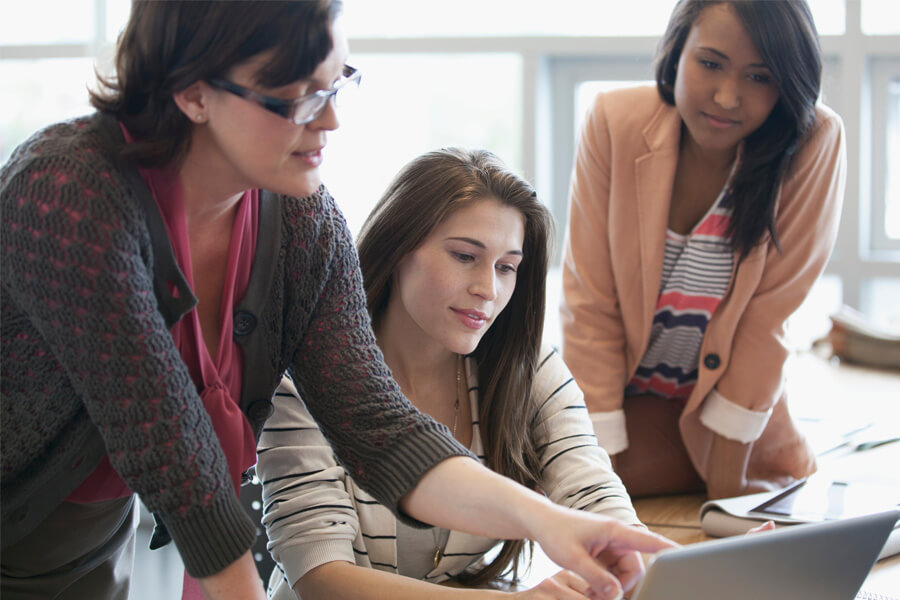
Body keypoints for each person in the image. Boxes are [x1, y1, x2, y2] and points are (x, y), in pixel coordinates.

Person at [0, 2, 673, 600]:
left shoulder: (303, 221)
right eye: (293, 97)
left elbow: (381, 427)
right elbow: (169, 447)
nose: (329, 120)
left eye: (335, 84)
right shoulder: (69, 192)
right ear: (192, 91)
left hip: (79, 533)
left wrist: (552, 523)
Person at [257, 148, 644, 600]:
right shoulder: (305, 376)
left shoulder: (528, 368)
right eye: (464, 256)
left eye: (506, 267)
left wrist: (642, 557)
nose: (488, 289)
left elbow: (591, 490)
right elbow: (320, 579)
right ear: (399, 247)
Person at [561, 0, 846, 501]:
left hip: (724, 410)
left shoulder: (812, 142)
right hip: (620, 399)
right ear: (677, 50)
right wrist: (594, 483)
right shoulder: (613, 120)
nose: (728, 96)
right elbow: (591, 307)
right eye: (710, 63)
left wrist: (727, 499)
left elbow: (765, 324)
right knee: (530, 475)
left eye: (760, 77)